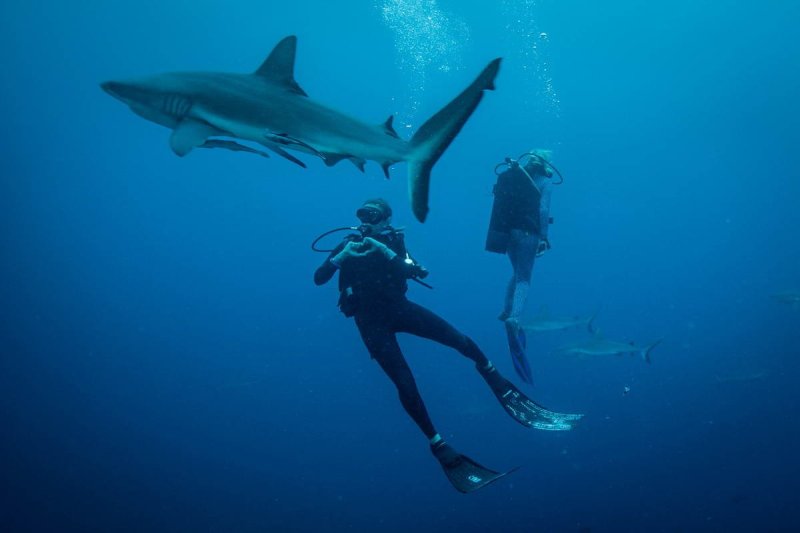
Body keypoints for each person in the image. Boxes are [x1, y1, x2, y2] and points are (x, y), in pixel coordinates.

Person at [314, 198, 580, 492]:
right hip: (369, 320)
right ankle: (438, 444)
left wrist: (386, 249)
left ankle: (497, 381)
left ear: (387, 220)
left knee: (460, 340)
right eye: (364, 214)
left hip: (398, 307)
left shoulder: (393, 241)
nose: (367, 220)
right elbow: (319, 278)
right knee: (404, 381)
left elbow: (416, 271)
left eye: (374, 215)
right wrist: (341, 256)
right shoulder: (347, 245)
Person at [485, 149, 558, 384]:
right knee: (525, 278)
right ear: (547, 163)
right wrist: (544, 237)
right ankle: (515, 318)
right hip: (529, 233)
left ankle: (506, 310)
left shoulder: (514, 177)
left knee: (516, 273)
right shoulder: (545, 182)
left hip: (507, 232)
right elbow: (543, 209)